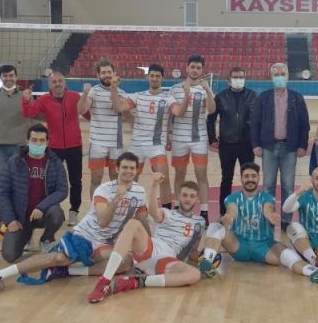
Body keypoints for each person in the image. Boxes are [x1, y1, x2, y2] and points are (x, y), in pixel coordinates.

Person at [0, 152, 147, 296]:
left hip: (104, 243)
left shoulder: (140, 192)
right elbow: (103, 222)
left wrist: (151, 249)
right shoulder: (104, 190)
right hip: (85, 236)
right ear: (117, 169)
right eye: (124, 167)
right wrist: (117, 198)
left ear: (137, 170)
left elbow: (142, 220)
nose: (128, 171)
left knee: (125, 262)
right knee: (57, 258)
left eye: (132, 168)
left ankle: (67, 271)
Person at [200, 162, 318, 282]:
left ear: (258, 178)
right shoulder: (232, 198)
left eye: (253, 176)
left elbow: (268, 209)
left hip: (264, 247)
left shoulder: (267, 197)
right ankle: (207, 262)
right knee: (215, 226)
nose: (250, 179)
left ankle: (314, 271)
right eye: (246, 176)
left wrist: (271, 216)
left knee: (287, 254)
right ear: (241, 179)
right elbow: (232, 210)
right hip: (239, 245)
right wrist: (229, 216)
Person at [87, 175, 207, 303]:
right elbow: (153, 211)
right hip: (151, 248)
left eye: (192, 196)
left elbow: (193, 252)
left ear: (197, 199)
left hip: (167, 260)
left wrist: (206, 261)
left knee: (195, 274)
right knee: (133, 223)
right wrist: (154, 185)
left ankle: (137, 281)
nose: (188, 199)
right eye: (185, 195)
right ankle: (104, 282)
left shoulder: (200, 222)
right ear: (178, 196)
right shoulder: (168, 213)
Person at [0, 124, 68, 262]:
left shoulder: (55, 162)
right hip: (21, 217)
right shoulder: (14, 162)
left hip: (43, 214)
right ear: (27, 141)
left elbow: (62, 190)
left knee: (56, 214)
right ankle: (26, 235)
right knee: (9, 255)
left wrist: (42, 207)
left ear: (47, 142)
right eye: (34, 140)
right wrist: (10, 220)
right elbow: (2, 192)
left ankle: (46, 239)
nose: (38, 144)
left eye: (42, 140)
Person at [251, 63, 310, 229]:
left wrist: (302, 145)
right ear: (271, 77)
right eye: (276, 74)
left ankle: (285, 221)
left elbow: (304, 124)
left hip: (290, 148)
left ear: (288, 76)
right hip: (268, 147)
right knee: (268, 185)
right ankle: (269, 219)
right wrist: (255, 144)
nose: (279, 77)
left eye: (282, 74)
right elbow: (255, 123)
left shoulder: (297, 98)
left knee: (288, 186)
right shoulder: (263, 97)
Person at [21, 71, 84, 226]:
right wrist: (25, 100)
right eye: (54, 82)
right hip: (54, 147)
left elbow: (88, 113)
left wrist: (90, 98)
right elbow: (29, 113)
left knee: (76, 181)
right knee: (50, 180)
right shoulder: (44, 100)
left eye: (60, 81)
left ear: (65, 82)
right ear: (49, 85)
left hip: (74, 146)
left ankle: (74, 211)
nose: (57, 84)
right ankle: (50, 209)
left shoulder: (75, 97)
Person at [115, 63, 178, 208]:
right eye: (152, 76)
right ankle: (127, 209)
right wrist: (113, 88)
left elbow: (175, 114)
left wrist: (169, 136)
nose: (154, 79)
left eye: (157, 76)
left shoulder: (168, 98)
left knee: (163, 179)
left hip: (156, 145)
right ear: (147, 77)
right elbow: (119, 108)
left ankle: (166, 212)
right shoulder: (138, 96)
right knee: (130, 179)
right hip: (137, 144)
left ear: (162, 78)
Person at [0, 65, 37, 230]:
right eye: (5, 76)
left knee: (21, 181)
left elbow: (33, 117)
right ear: (0, 77)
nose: (8, 78)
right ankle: (2, 214)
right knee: (1, 182)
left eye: (11, 75)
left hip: (20, 145)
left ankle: (20, 213)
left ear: (16, 77)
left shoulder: (26, 94)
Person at [168, 55, 216, 224]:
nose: (195, 70)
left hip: (199, 138)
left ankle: (204, 211)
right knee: (179, 174)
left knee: (201, 174)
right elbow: (175, 114)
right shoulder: (175, 89)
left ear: (202, 70)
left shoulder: (205, 89)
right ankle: (178, 208)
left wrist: (208, 91)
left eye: (198, 68)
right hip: (179, 138)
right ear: (187, 68)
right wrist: (168, 136)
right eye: (192, 67)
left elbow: (211, 110)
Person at [207, 66, 257, 210]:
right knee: (226, 178)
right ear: (229, 80)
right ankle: (224, 211)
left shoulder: (253, 96)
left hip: (247, 145)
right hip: (227, 145)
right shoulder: (221, 97)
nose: (238, 80)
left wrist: (258, 141)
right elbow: (210, 119)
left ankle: (249, 209)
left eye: (241, 77)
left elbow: (260, 120)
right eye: (235, 77)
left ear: (245, 79)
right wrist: (212, 138)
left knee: (249, 179)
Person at [77, 60, 128, 197]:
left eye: (109, 72)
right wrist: (84, 94)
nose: (107, 75)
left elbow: (122, 112)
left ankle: (115, 206)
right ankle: (95, 207)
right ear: (98, 75)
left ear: (114, 73)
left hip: (116, 143)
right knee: (96, 179)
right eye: (103, 73)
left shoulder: (122, 93)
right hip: (97, 143)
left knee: (116, 179)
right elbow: (81, 110)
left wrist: (114, 91)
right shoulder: (93, 92)